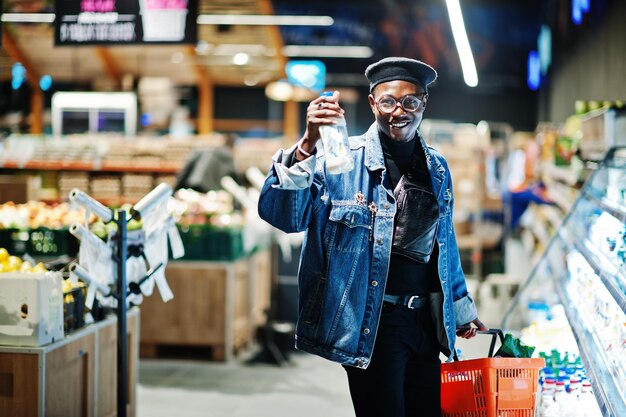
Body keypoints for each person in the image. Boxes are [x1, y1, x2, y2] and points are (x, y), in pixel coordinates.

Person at [258, 57, 487, 417]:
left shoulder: (437, 167)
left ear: (424, 103)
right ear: (372, 103)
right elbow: (286, 217)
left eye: (410, 101)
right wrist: (306, 145)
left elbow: (445, 242)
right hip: (372, 321)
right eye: (388, 101)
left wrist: (459, 307)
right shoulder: (340, 160)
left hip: (424, 321)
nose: (399, 111)